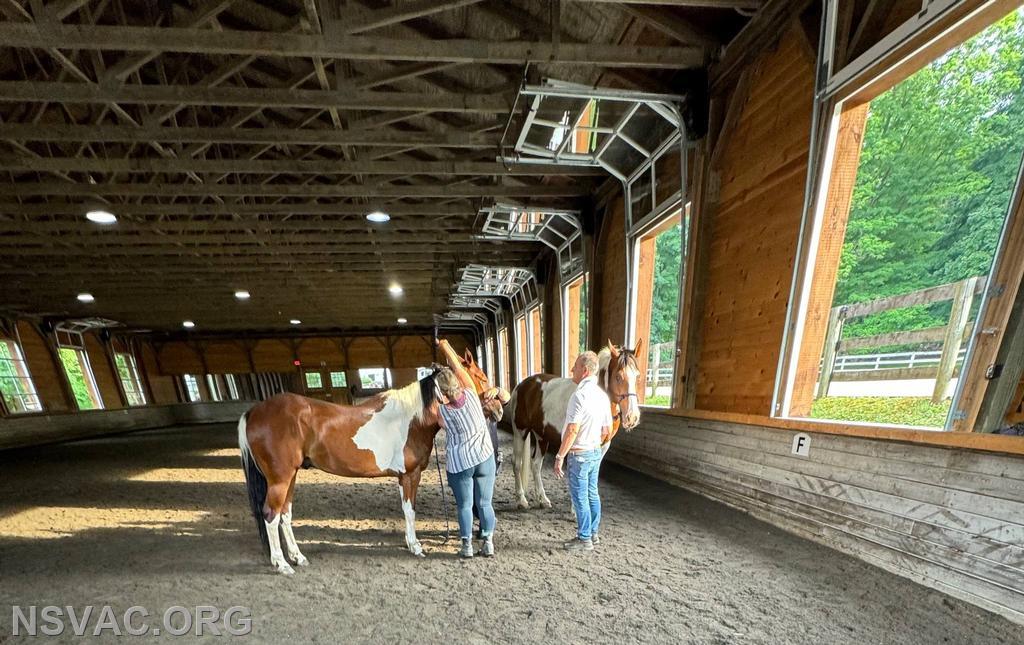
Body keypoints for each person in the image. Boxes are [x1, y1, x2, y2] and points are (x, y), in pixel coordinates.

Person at [435, 339, 500, 558]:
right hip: (484, 457)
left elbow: (442, 425)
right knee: (485, 503)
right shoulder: (472, 394)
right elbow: (460, 370)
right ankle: (488, 542)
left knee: (464, 505)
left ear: (442, 392)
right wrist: (447, 348)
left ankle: (466, 547)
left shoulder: (443, 412)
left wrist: (440, 400)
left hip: (461, 462)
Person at [554, 351, 612, 552]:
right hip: (594, 451)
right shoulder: (603, 396)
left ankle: (584, 538)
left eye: (576, 366)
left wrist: (560, 456)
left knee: (580, 498)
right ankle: (593, 533)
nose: (572, 370)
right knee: (592, 493)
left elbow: (572, 430)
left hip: (579, 454)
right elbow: (608, 430)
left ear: (585, 370)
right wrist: (593, 440)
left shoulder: (578, 396)